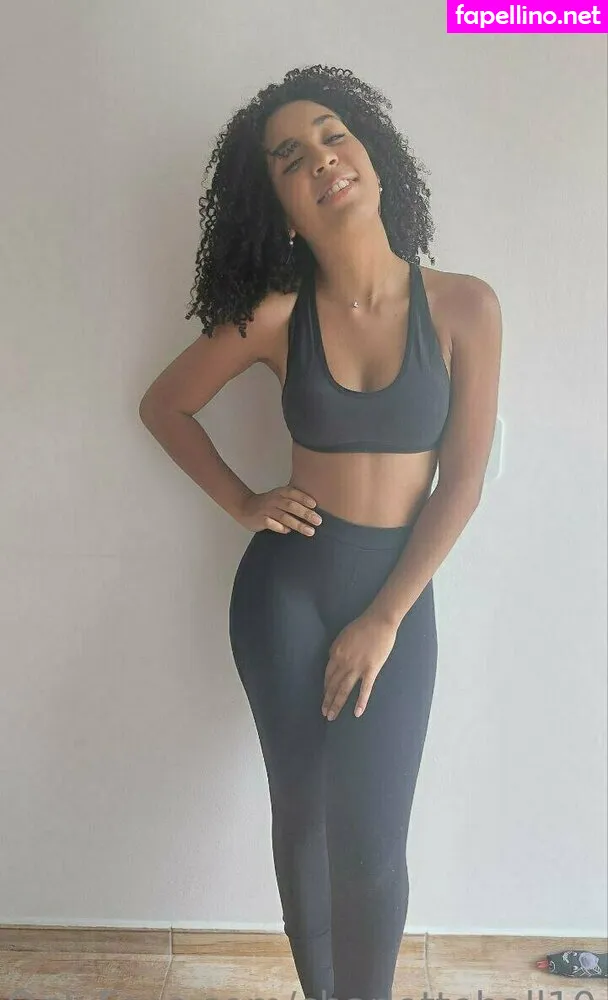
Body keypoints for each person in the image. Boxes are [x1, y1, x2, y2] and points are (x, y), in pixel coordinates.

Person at [139, 64, 502, 1000]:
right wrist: (242, 501)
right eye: (290, 157)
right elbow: (166, 406)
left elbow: (461, 484)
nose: (322, 160)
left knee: (372, 845)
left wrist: (384, 617)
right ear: (281, 208)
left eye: (334, 135)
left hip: (396, 597)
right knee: (302, 821)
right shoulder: (274, 318)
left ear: (373, 157)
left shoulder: (465, 306)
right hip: (285, 595)